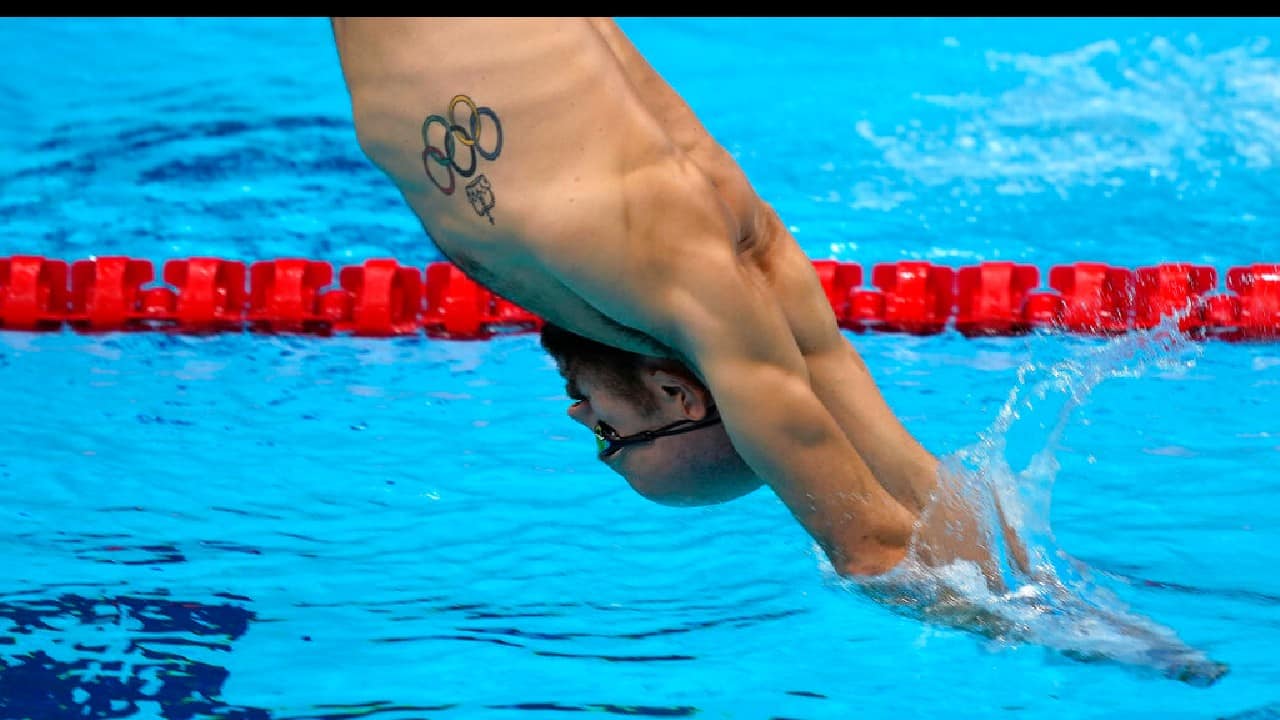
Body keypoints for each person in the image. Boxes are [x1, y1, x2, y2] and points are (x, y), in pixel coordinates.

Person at [331, 17, 1228, 684]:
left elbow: (908, 470)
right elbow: (872, 543)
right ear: (683, 400)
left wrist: (1053, 594)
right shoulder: (679, 276)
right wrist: (1088, 642)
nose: (578, 414)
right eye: (610, 437)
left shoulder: (736, 251)